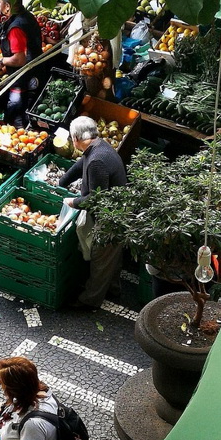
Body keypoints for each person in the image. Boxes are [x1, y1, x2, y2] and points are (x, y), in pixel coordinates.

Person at [59, 116, 127, 310]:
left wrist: (73, 201)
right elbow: (82, 164)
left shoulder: (97, 161)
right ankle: (114, 289)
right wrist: (62, 181)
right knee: (112, 256)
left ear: (75, 138)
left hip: (111, 217)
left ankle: (90, 300)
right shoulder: (99, 147)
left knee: (101, 258)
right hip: (117, 212)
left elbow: (97, 199)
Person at [0, 0, 46, 126]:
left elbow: (19, 59)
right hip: (36, 71)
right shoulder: (27, 16)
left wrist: (2, 61)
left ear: (7, 6)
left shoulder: (16, 28)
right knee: (30, 109)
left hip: (24, 78)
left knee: (17, 116)